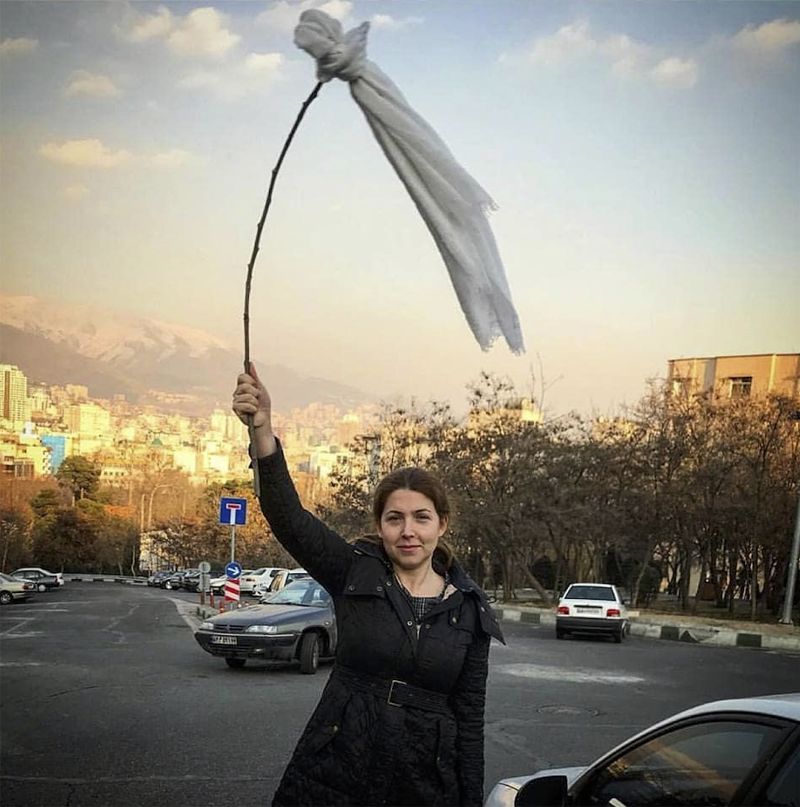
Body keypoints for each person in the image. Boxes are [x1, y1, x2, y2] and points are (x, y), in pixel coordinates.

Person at [233, 364, 504, 807]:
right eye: (394, 518)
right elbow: (289, 518)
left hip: (423, 784)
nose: (408, 531)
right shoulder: (354, 572)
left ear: (442, 525)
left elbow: (469, 720)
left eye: (421, 517)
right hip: (336, 769)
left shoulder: (468, 609)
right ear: (380, 526)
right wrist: (262, 432)